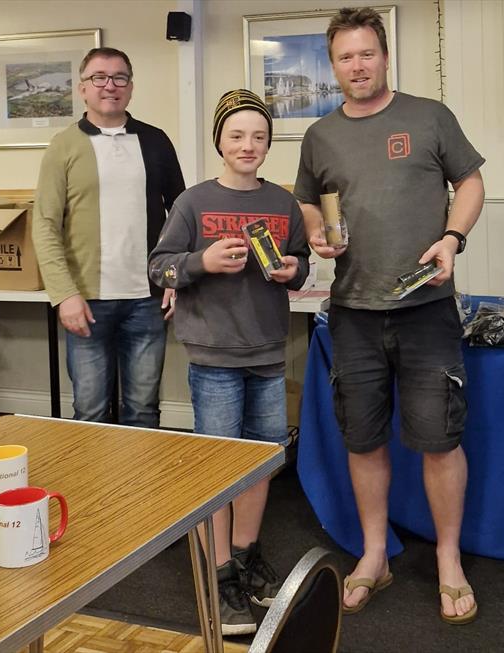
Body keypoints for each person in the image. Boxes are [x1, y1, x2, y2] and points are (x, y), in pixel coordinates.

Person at [294, 7, 485, 624]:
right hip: (351, 311)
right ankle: (374, 554)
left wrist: (453, 237)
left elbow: (473, 182)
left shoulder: (429, 116)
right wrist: (319, 236)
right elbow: (307, 206)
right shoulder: (321, 134)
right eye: (346, 57)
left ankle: (449, 559)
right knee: (363, 437)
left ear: (384, 55)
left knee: (439, 439)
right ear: (333, 66)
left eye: (367, 53)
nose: (358, 65)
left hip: (426, 308)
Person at [148, 89, 310, 635]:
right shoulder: (193, 203)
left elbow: (302, 263)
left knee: (262, 460)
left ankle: (245, 556)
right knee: (220, 467)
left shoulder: (283, 204)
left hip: (268, 352)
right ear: (219, 140)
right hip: (213, 355)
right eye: (237, 135)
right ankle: (218, 571)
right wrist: (202, 260)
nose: (249, 145)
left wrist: (293, 270)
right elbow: (160, 268)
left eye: (259, 136)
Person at [33, 47, 185, 427]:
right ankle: (94, 488)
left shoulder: (156, 142)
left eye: (119, 77)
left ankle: (140, 487)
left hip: (147, 301)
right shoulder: (63, 147)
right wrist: (64, 295)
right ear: (83, 88)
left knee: (144, 410)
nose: (110, 85)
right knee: (90, 412)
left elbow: (182, 217)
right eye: (99, 77)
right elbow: (45, 224)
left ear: (130, 88)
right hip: (86, 303)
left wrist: (175, 279)